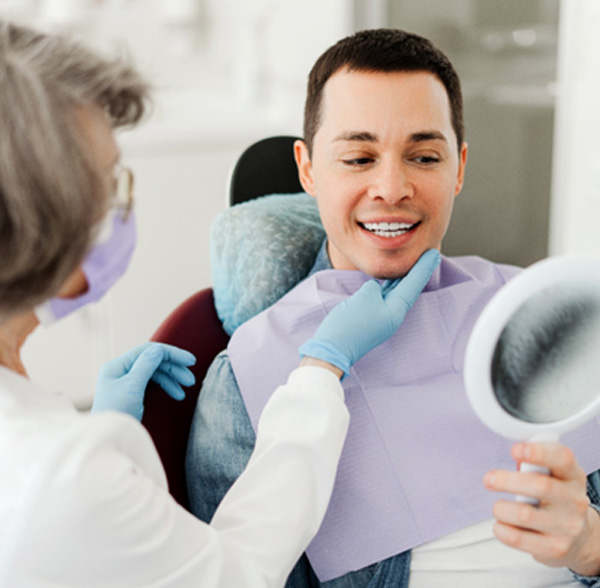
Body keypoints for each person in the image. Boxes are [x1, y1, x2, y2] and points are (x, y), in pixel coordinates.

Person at [0, 21, 442, 587]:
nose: (392, 186)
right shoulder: (64, 472)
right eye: (109, 186)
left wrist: (106, 431)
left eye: (425, 156)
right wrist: (321, 369)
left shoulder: (63, 463)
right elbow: (237, 574)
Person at [186, 28, 600, 587]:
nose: (391, 187)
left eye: (423, 156)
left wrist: (595, 545)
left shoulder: (548, 322)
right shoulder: (248, 381)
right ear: (308, 169)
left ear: (459, 167)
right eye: (358, 156)